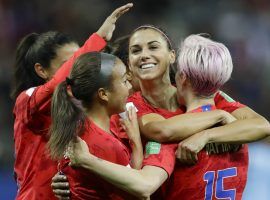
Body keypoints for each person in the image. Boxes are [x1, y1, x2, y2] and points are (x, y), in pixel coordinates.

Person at [52, 26, 270, 199]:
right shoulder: (129, 105)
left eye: (153, 47)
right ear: (129, 64)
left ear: (172, 56)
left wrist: (206, 136)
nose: (145, 55)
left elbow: (262, 126)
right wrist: (71, 177)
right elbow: (161, 130)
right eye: (136, 50)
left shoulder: (204, 93)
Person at [11, 3, 133, 200]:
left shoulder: (88, 106)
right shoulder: (27, 101)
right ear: (41, 70)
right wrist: (98, 38)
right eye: (69, 63)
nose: (77, 70)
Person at [48, 51, 143, 200]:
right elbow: (136, 191)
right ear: (103, 94)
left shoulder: (74, 128)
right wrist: (136, 143)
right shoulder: (106, 145)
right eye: (124, 81)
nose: (130, 86)